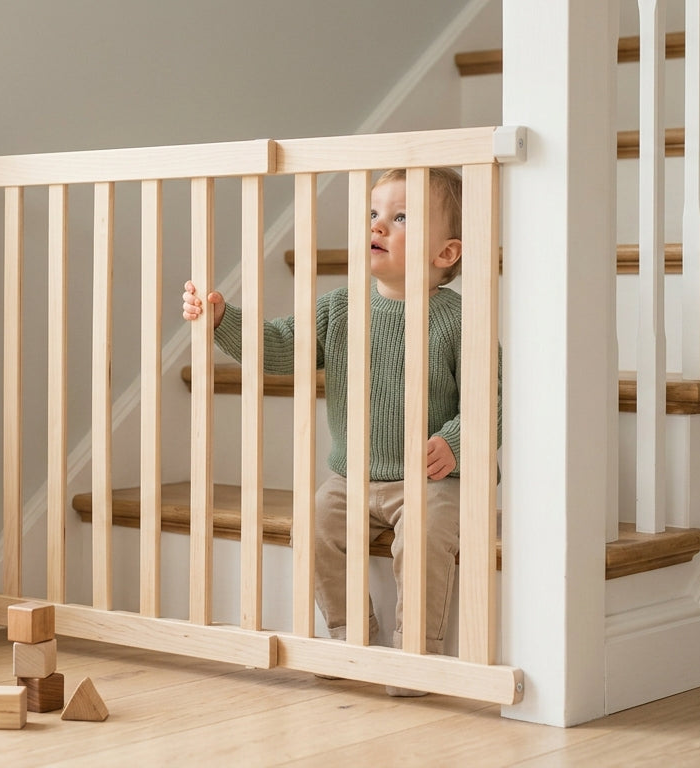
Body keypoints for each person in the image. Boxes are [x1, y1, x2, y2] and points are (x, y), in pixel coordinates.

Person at [184, 167, 492, 697]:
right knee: (316, 524)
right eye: (374, 214)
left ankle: (418, 651)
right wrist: (222, 321)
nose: (380, 226)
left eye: (401, 218)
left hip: (426, 478)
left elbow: (492, 396)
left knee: (425, 534)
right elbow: (281, 345)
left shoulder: (459, 320)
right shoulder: (341, 307)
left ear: (446, 253)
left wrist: (456, 442)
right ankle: (351, 639)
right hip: (350, 476)